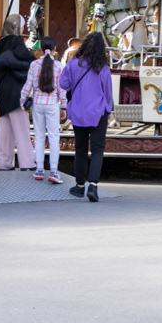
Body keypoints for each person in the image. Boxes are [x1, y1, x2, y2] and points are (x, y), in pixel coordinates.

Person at [59, 31, 114, 202]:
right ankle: (93, 186)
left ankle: (79, 186)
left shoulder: (73, 63)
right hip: (98, 113)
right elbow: (108, 93)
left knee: (80, 150)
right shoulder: (103, 68)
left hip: (78, 112)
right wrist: (109, 112)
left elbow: (63, 84)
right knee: (97, 150)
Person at [0, 15, 35, 171]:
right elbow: (28, 58)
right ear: (17, 27)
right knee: (21, 127)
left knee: (4, 126)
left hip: (3, 89)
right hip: (17, 90)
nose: (23, 29)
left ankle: (4, 162)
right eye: (22, 26)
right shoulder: (16, 41)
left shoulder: (1, 42)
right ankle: (27, 162)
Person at [20, 37, 63, 184]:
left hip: (37, 104)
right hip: (52, 104)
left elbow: (27, 86)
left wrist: (22, 103)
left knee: (38, 137)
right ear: (54, 48)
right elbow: (62, 89)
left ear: (40, 49)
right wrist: (64, 106)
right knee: (53, 138)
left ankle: (39, 169)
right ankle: (54, 171)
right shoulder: (58, 65)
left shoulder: (34, 64)